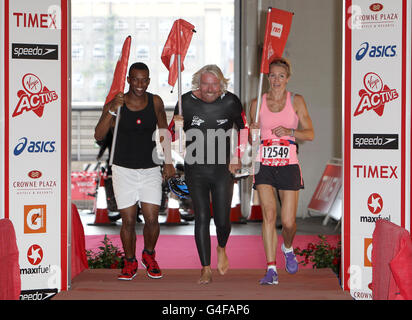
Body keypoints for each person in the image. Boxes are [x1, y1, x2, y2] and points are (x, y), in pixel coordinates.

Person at [94, 62, 175, 280]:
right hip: (123, 169)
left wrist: (168, 162)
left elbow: (163, 132)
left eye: (144, 79)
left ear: (148, 81)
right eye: (135, 79)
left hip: (150, 168)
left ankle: (148, 255)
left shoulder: (155, 101)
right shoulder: (116, 103)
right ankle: (129, 261)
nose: (140, 84)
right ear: (129, 79)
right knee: (128, 220)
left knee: (151, 218)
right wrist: (111, 109)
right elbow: (99, 135)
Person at [172, 65, 247, 284]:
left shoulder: (231, 101)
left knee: (223, 220)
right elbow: (170, 135)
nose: (210, 89)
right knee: (202, 217)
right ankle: (205, 268)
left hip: (223, 168)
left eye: (215, 84)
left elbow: (244, 129)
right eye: (205, 83)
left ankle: (221, 247)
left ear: (221, 84)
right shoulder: (185, 101)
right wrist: (176, 127)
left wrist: (237, 155)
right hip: (195, 168)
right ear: (198, 83)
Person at [249, 57, 314, 285]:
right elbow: (251, 138)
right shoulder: (257, 103)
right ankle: (271, 269)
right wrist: (253, 131)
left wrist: (290, 131)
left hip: (288, 164)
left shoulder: (296, 101)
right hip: (264, 163)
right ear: (268, 78)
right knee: (269, 215)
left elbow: (310, 133)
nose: (276, 80)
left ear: (288, 78)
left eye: (281, 76)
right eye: (273, 75)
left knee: (287, 222)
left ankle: (287, 248)